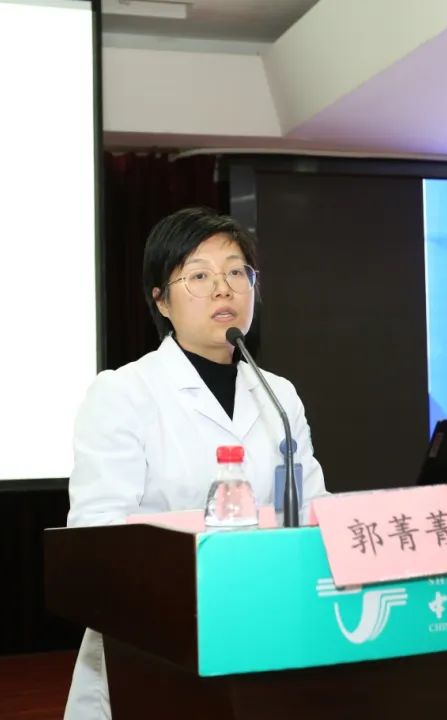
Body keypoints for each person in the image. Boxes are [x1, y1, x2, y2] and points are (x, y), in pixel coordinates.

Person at [63, 207, 328, 720]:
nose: (223, 289)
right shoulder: (123, 392)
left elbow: (312, 509)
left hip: (264, 627)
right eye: (199, 276)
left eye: (236, 272)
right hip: (155, 642)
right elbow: (97, 534)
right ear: (161, 300)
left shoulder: (279, 395)